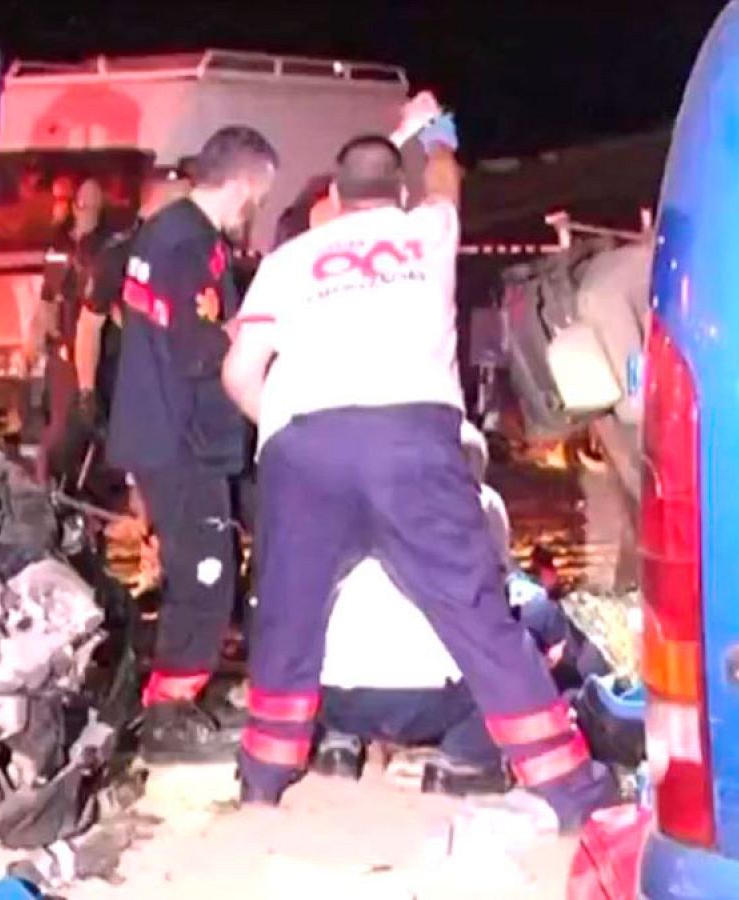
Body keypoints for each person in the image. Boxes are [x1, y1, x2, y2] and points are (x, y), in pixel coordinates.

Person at [221, 94, 616, 827]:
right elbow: (444, 182)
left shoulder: (288, 260)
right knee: (478, 617)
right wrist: (436, 137)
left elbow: (240, 371)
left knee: (287, 619)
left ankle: (261, 786)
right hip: (411, 441)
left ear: (335, 196)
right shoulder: (426, 230)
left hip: (304, 444)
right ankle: (573, 793)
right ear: (394, 193)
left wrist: (283, 427)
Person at [313, 421, 606, 793]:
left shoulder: (352, 504)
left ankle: (339, 743)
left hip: (334, 696)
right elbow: (494, 601)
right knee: (503, 667)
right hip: (428, 700)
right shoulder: (478, 507)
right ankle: (467, 759)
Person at [108, 126, 279, 761]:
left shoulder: (164, 231)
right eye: (258, 196)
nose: (254, 209)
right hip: (183, 440)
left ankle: (179, 702)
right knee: (204, 581)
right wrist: (254, 328)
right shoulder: (194, 244)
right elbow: (197, 349)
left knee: (199, 573)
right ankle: (169, 719)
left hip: (163, 433)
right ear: (244, 184)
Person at [70, 170, 193, 500]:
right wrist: (87, 391)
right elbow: (89, 326)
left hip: (188, 382)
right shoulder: (118, 255)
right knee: (144, 480)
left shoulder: (197, 250)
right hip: (138, 382)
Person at [36, 178, 110, 488]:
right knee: (62, 427)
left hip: (97, 350)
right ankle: (46, 482)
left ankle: (81, 485)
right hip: (66, 350)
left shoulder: (104, 247)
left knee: (90, 425)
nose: (89, 211)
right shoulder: (61, 248)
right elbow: (48, 298)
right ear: (76, 207)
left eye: (95, 205)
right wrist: (47, 338)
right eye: (85, 204)